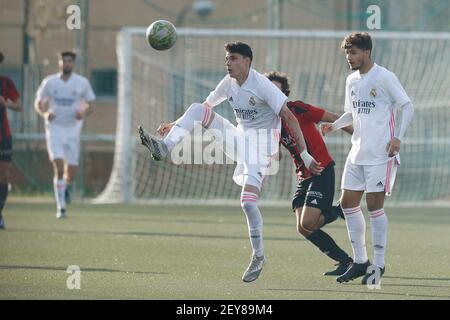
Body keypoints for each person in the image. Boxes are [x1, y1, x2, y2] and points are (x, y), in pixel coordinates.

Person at [138, 42, 323, 282]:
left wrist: (305, 155)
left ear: (247, 61)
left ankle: (259, 256)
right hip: (239, 140)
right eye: (227, 58)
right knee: (197, 108)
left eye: (233, 58)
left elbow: (290, 118)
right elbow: (206, 107)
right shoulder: (228, 83)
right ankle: (165, 147)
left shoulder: (263, 85)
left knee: (247, 203)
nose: (228, 63)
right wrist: (175, 124)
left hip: (262, 149)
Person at [321, 32, 414, 285]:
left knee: (374, 207)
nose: (349, 58)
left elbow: (407, 105)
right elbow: (351, 113)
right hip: (357, 152)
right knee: (347, 203)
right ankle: (361, 261)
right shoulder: (351, 80)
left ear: (367, 52)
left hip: (380, 154)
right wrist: (335, 125)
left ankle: (379, 264)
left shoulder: (384, 77)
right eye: (346, 53)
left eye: (353, 53)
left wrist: (398, 138)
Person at [265, 71, 354, 276]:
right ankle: (345, 261)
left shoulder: (298, 109)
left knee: (308, 222)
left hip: (321, 170)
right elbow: (276, 155)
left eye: (276, 90)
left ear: (284, 94)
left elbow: (333, 118)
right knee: (303, 228)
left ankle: (339, 211)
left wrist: (359, 135)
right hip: (303, 177)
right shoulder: (271, 121)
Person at [35, 51, 95, 219]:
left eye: (69, 61)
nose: (66, 63)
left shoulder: (81, 82)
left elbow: (90, 104)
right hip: (54, 130)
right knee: (59, 167)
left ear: (73, 63)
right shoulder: (50, 82)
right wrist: (45, 113)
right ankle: (61, 207)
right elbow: (38, 103)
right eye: (64, 61)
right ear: (59, 63)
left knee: (71, 171)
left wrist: (84, 112)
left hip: (73, 130)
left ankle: (65, 187)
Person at [0, 51, 22, 229]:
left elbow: (19, 105)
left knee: (3, 175)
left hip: (3, 136)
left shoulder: (5, 83)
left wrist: (6, 103)